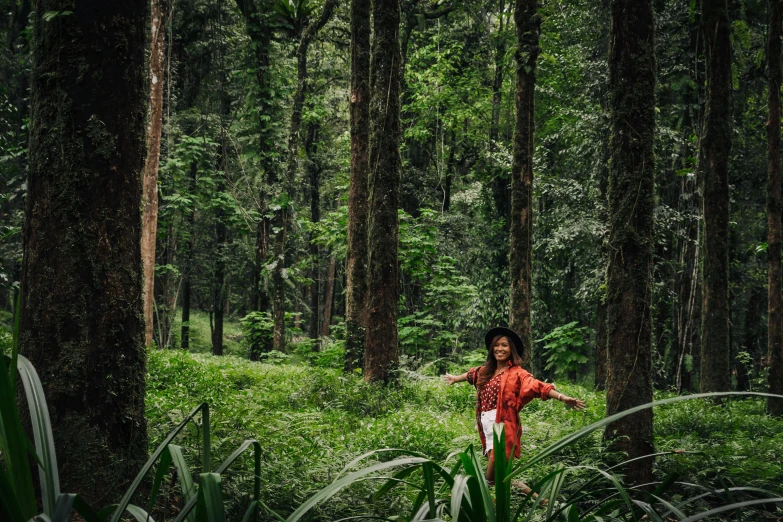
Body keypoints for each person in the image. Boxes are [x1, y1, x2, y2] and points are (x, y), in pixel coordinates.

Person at [444, 326, 586, 489]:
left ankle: (497, 508)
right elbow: (471, 375)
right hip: (487, 427)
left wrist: (563, 397)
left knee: (490, 480)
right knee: (501, 478)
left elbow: (537, 386)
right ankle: (538, 501)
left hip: (503, 428)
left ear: (511, 349)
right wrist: (455, 378)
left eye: (504, 345)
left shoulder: (517, 373)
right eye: (496, 345)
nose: (500, 349)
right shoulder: (486, 371)